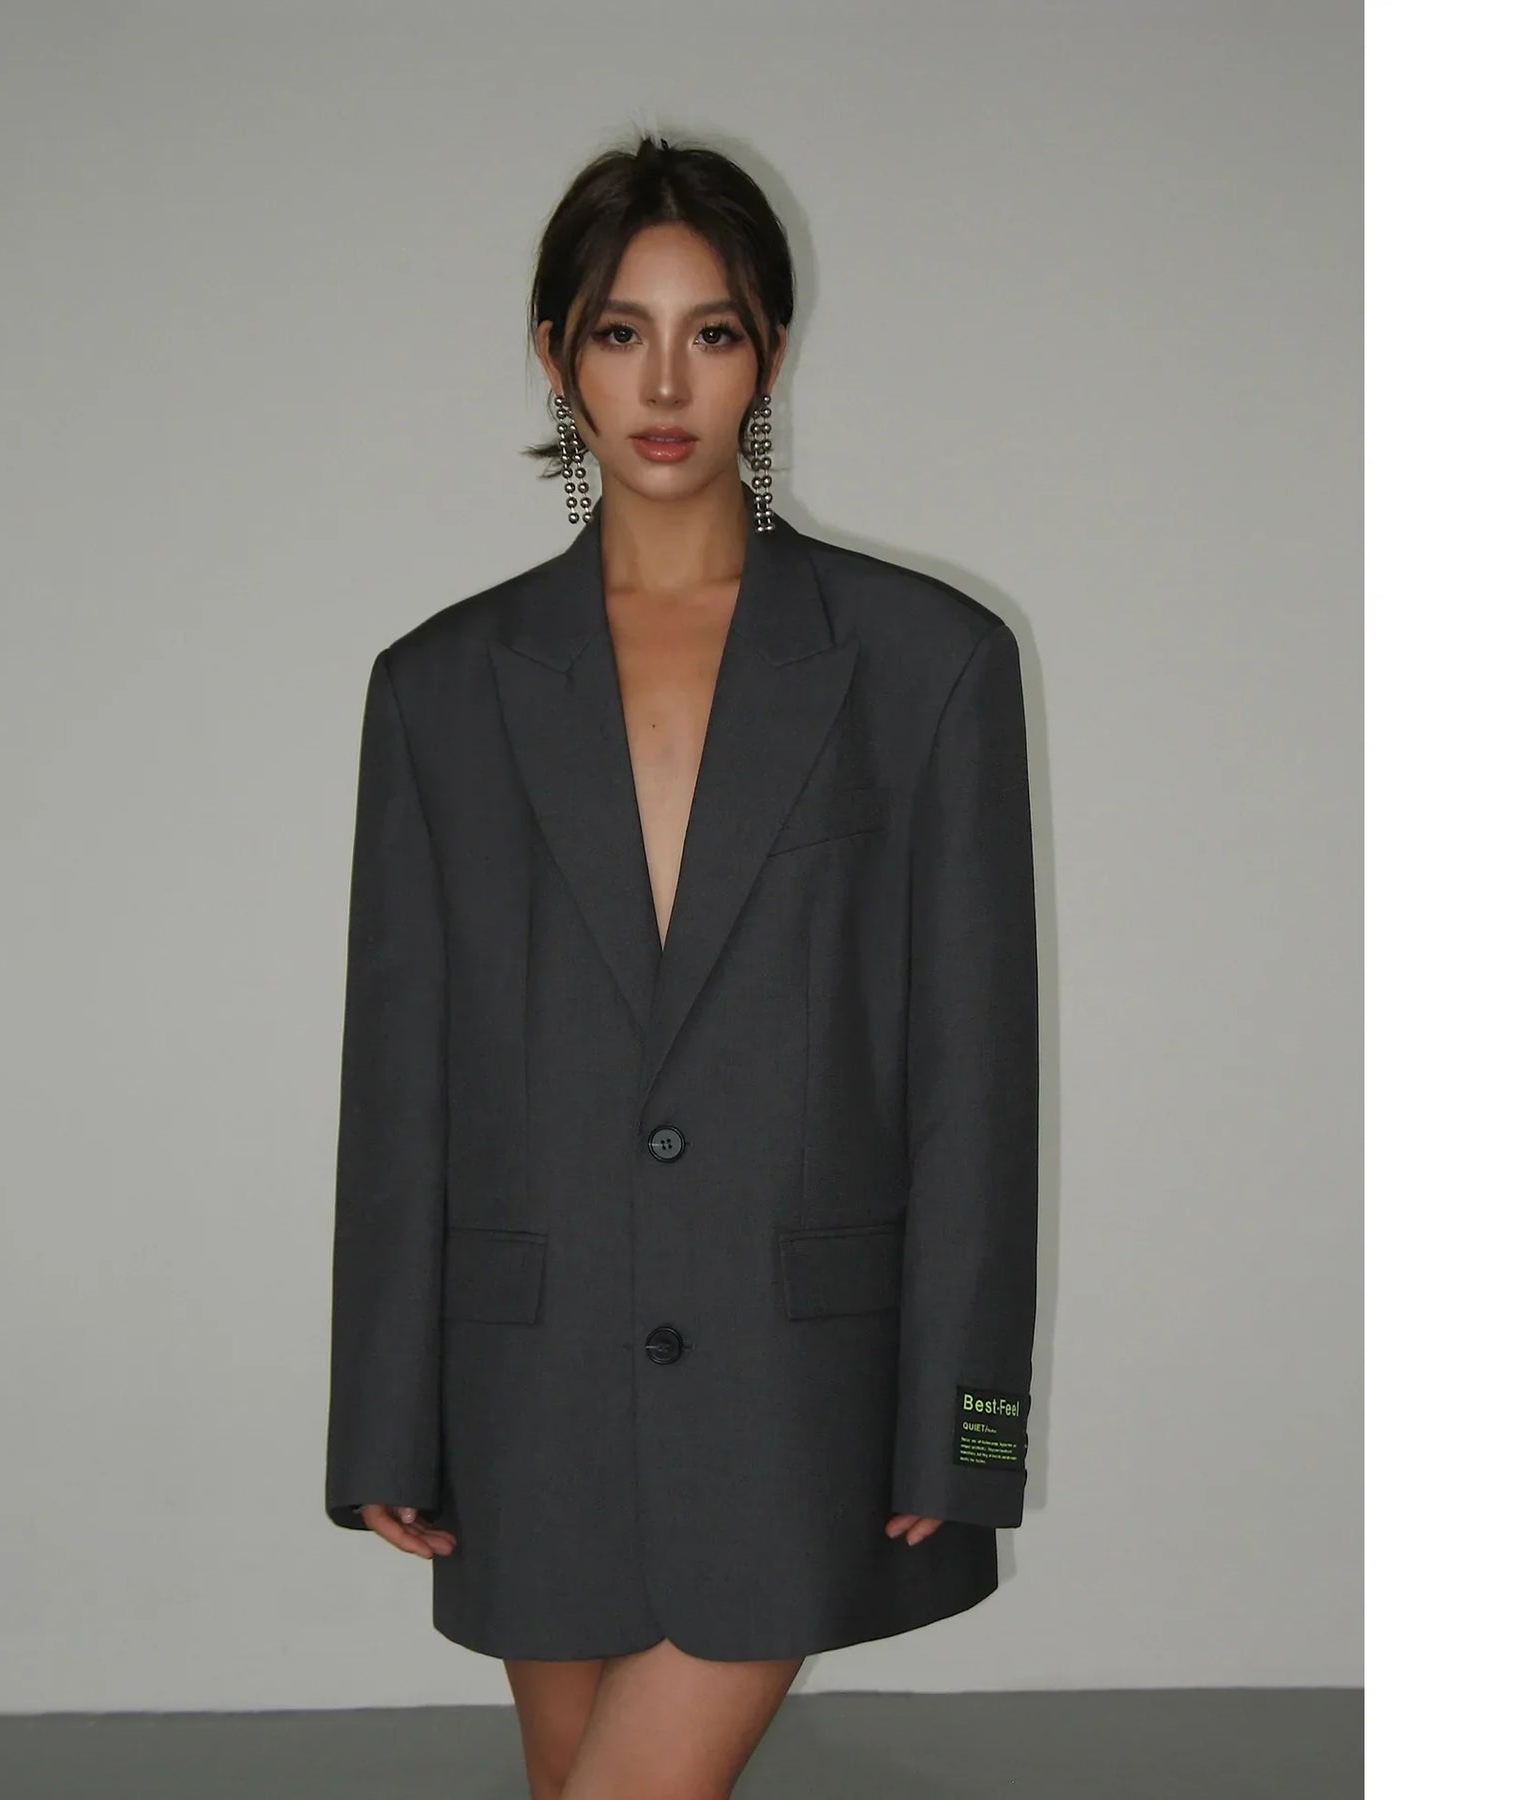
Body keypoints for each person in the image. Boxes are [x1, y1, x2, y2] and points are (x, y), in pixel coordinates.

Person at [324, 133, 1041, 1800]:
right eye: (617, 331)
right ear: (555, 354)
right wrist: (382, 1417)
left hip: (802, 1389)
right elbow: (400, 1079)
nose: (663, 384)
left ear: (770, 352)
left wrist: (969, 1424)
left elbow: (977, 1080)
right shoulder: (439, 688)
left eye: (710, 332)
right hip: (530, 1387)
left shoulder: (925, 666)